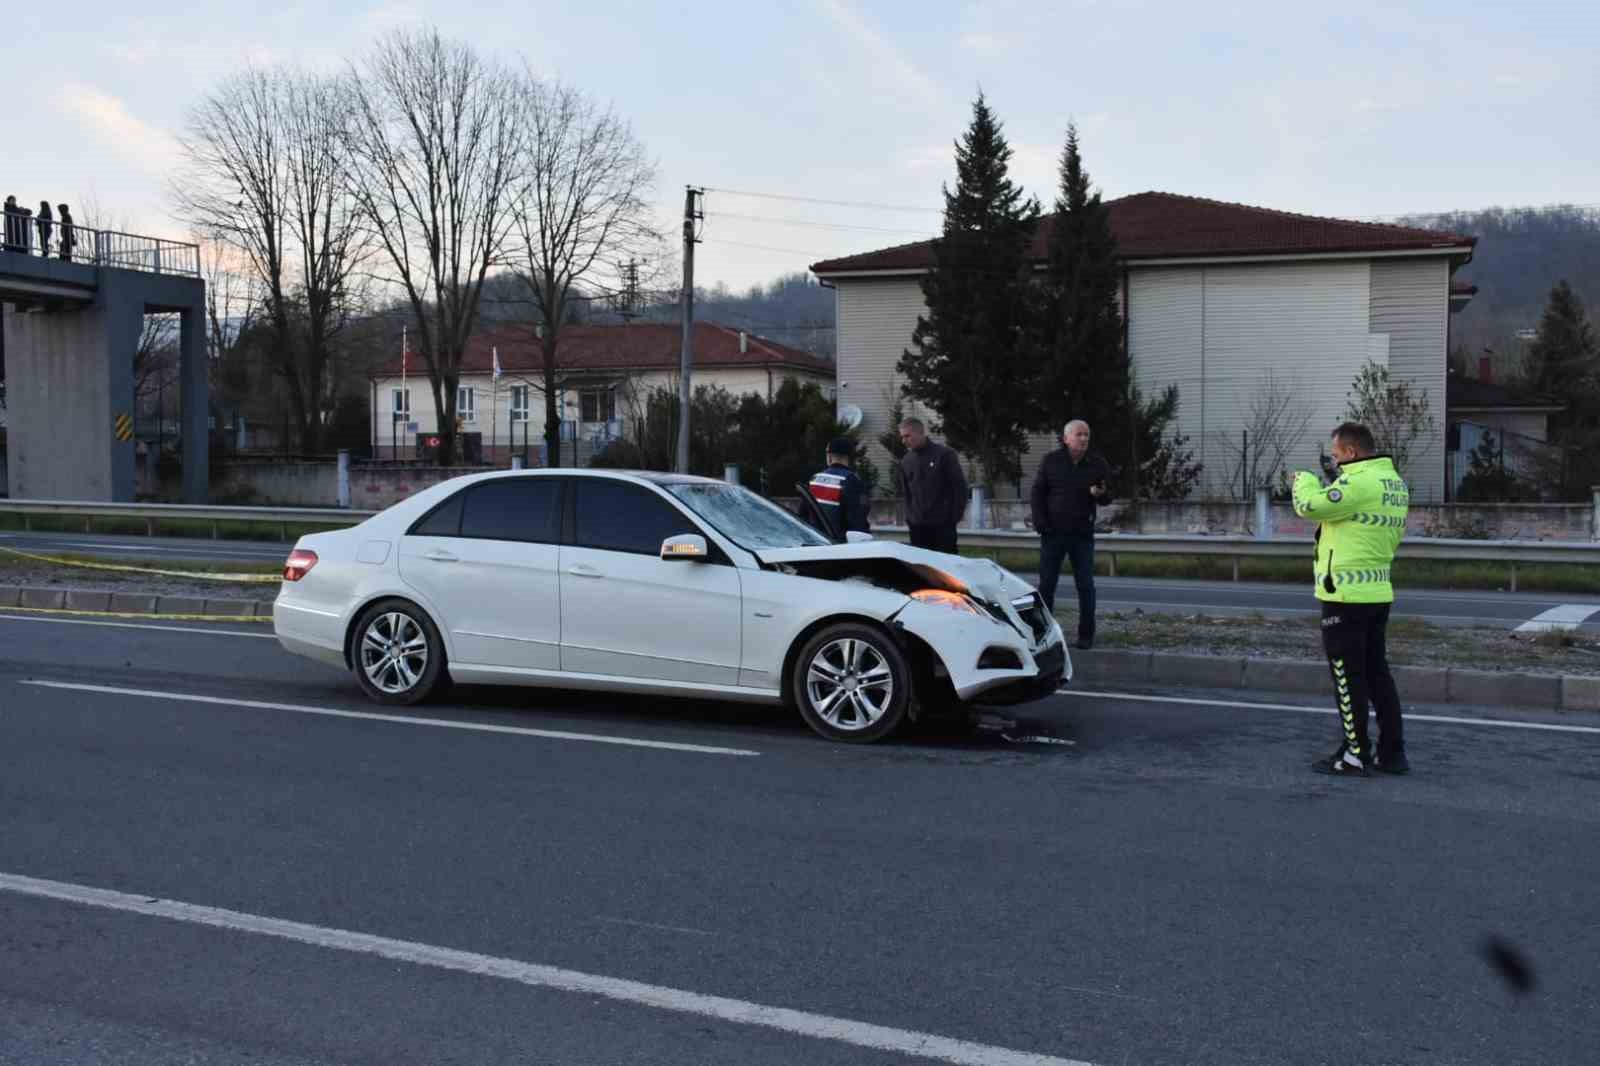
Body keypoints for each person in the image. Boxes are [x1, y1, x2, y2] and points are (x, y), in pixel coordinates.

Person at [1292, 421, 1410, 776]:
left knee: (1348, 676)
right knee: (1378, 674)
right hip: (1377, 591)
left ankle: (1355, 753)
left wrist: (1303, 481)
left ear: (1351, 452)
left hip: (1344, 593)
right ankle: (1392, 753)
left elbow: (1309, 506)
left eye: (1335, 454)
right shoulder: (1394, 483)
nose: (1334, 462)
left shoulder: (1357, 482)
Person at [1030, 420, 1114, 650]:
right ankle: (1043, 633)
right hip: (1053, 533)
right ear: (1066, 438)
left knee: (1085, 585)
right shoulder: (1051, 461)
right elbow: (1037, 493)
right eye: (1079, 434)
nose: (1084, 439)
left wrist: (1099, 494)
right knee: (1047, 585)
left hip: (1082, 534)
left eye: (1086, 434)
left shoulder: (1097, 463)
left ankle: (1086, 635)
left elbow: (1108, 496)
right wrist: (1041, 523)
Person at [895, 417, 969, 553]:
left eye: (907, 436)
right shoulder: (906, 461)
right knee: (921, 571)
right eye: (902, 437)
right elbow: (905, 494)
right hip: (918, 529)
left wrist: (953, 518)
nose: (904, 441)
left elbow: (959, 488)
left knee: (946, 569)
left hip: (943, 528)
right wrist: (911, 519)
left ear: (920, 432)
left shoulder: (944, 455)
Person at [808, 437, 871, 539]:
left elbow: (803, 515)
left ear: (829, 457)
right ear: (849, 457)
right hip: (838, 545)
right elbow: (858, 520)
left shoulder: (814, 479)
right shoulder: (852, 481)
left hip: (815, 542)